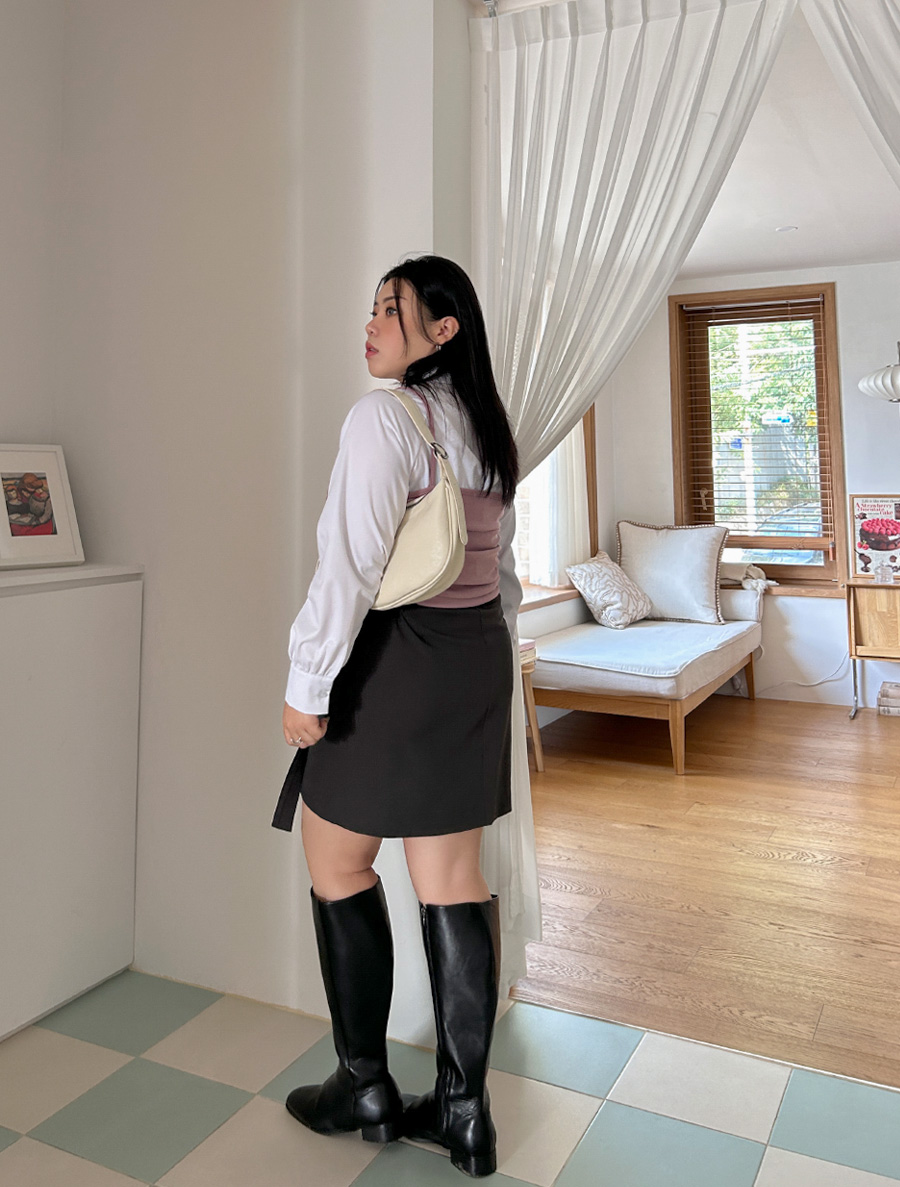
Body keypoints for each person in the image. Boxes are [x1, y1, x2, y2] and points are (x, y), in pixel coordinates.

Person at [278, 254, 519, 1179]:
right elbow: (496, 564)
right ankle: (464, 1113)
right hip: (475, 655)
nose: (372, 323)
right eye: (373, 307)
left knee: (335, 855)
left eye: (393, 308)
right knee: (451, 875)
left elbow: (350, 563)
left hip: (400, 656)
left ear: (443, 329)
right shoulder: (485, 424)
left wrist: (308, 683)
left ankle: (364, 1082)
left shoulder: (386, 418)